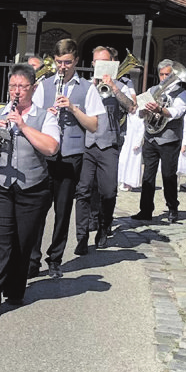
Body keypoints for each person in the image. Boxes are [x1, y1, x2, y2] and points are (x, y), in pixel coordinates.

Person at [0, 64, 59, 317]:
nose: (17, 91)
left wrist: (23, 125)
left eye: (22, 86)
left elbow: (51, 148)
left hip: (33, 188)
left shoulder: (46, 117)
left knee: (23, 242)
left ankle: (15, 288)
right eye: (13, 86)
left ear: (32, 88)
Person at [31, 38, 105, 278]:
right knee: (38, 209)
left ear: (76, 61)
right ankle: (33, 259)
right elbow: (32, 116)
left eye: (68, 62)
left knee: (62, 212)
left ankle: (55, 259)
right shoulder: (43, 85)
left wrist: (73, 109)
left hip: (71, 155)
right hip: (46, 155)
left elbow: (93, 125)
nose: (63, 67)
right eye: (59, 62)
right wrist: (47, 114)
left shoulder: (87, 88)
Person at [73, 46, 136, 253]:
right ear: (92, 64)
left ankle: (103, 226)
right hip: (87, 144)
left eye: (105, 62)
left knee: (108, 192)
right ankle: (81, 237)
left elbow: (131, 107)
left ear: (112, 64)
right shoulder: (84, 86)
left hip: (109, 145)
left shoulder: (123, 84)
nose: (99, 66)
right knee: (82, 191)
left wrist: (114, 88)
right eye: (96, 62)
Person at [132, 59, 186, 224]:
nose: (164, 78)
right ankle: (145, 210)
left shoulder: (181, 92)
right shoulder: (152, 90)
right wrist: (143, 110)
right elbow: (141, 114)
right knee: (148, 176)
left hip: (170, 140)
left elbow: (177, 111)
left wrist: (160, 109)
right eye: (162, 74)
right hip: (151, 137)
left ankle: (172, 207)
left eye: (168, 74)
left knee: (168, 175)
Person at [118, 110, 144, 191]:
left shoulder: (139, 116)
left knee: (133, 162)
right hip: (128, 141)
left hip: (134, 142)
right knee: (123, 160)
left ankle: (130, 183)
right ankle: (124, 181)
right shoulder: (129, 115)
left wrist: (138, 143)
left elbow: (141, 130)